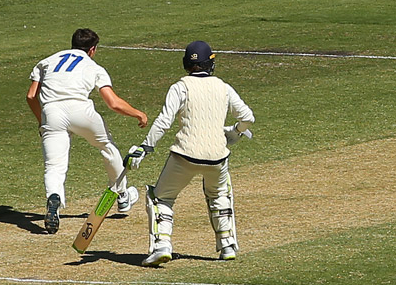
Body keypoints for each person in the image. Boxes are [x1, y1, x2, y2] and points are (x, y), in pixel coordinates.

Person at [133, 41, 255, 266]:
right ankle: (227, 245)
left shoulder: (180, 86)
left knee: (161, 198)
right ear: (210, 63)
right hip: (218, 158)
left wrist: (145, 148)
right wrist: (235, 132)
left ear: (186, 64)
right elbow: (247, 117)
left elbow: (163, 122)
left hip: (185, 156)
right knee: (219, 195)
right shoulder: (223, 87)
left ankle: (162, 246)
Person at [25, 28, 147, 234]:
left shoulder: (47, 61)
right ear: (92, 49)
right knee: (107, 147)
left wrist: (42, 121)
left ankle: (54, 197)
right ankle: (123, 195)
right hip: (81, 112)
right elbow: (113, 103)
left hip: (51, 113)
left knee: (54, 166)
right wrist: (138, 114)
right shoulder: (93, 66)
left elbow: (31, 96)